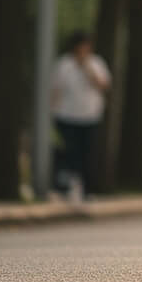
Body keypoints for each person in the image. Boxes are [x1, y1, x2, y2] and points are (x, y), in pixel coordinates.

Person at [50, 30, 111, 200]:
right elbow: (55, 91)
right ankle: (64, 187)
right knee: (69, 153)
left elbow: (103, 85)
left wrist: (87, 68)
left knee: (88, 154)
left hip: (90, 116)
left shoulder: (96, 63)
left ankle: (88, 189)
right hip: (66, 116)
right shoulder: (64, 65)